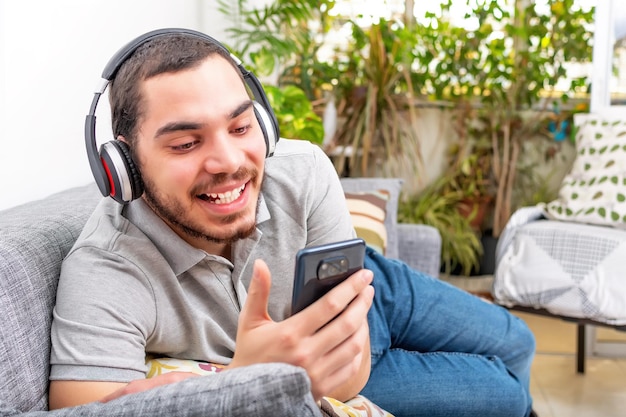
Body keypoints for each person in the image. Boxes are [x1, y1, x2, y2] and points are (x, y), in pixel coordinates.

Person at [49, 29, 536, 417]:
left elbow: (354, 331)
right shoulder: (107, 270)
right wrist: (248, 383)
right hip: (326, 367)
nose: (228, 161)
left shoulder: (302, 168)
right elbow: (83, 407)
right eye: (185, 143)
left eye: (241, 127)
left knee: (521, 344)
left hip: (369, 292)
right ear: (124, 166)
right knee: (508, 396)